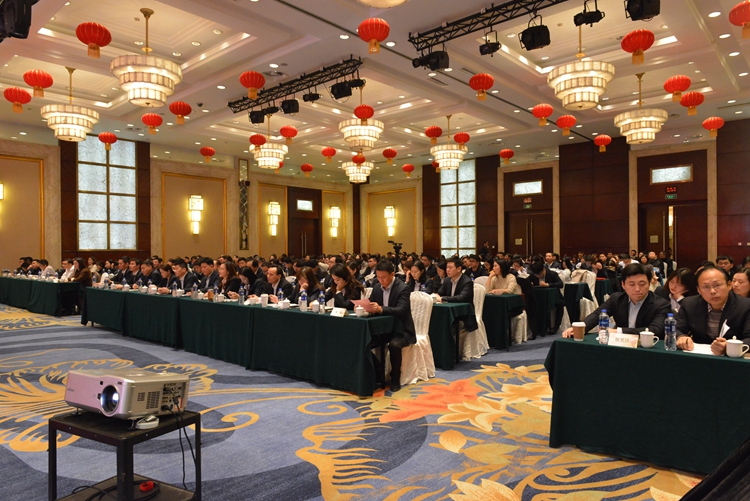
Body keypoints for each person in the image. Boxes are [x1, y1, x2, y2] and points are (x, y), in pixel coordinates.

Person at [562, 263, 672, 339]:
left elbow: (655, 330)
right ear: (623, 285)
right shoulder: (617, 299)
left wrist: (619, 331)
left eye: (642, 284)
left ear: (649, 283)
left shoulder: (661, 304)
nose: (637, 289)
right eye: (632, 284)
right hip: (620, 346)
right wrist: (581, 327)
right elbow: (597, 314)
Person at [676, 265, 750, 355]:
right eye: (706, 287)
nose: (712, 291)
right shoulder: (689, 304)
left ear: (729, 285)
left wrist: (730, 347)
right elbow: (676, 329)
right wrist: (681, 337)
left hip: (733, 359)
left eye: (717, 285)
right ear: (699, 290)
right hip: (698, 357)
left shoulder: (746, 306)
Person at [368, 259, 416, 392]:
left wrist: (381, 309)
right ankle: (378, 372)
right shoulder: (376, 287)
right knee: (364, 341)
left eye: (383, 277)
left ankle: (395, 377)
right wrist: (364, 307)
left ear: (392, 274)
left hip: (402, 330)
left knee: (394, 345)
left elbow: (401, 310)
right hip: (383, 329)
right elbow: (371, 303)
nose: (380, 280)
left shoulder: (403, 288)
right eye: (378, 277)